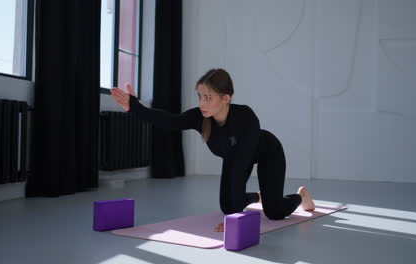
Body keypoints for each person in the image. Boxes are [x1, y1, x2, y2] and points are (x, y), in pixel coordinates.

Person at [111, 68, 315, 232]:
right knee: (227, 205)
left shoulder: (245, 118)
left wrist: (233, 221)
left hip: (268, 152)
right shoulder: (200, 117)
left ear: (226, 98)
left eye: (208, 97)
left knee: (275, 212)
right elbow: (170, 120)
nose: (201, 103)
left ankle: (301, 196)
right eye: (199, 96)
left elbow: (240, 164)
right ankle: (258, 197)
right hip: (235, 158)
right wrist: (136, 108)